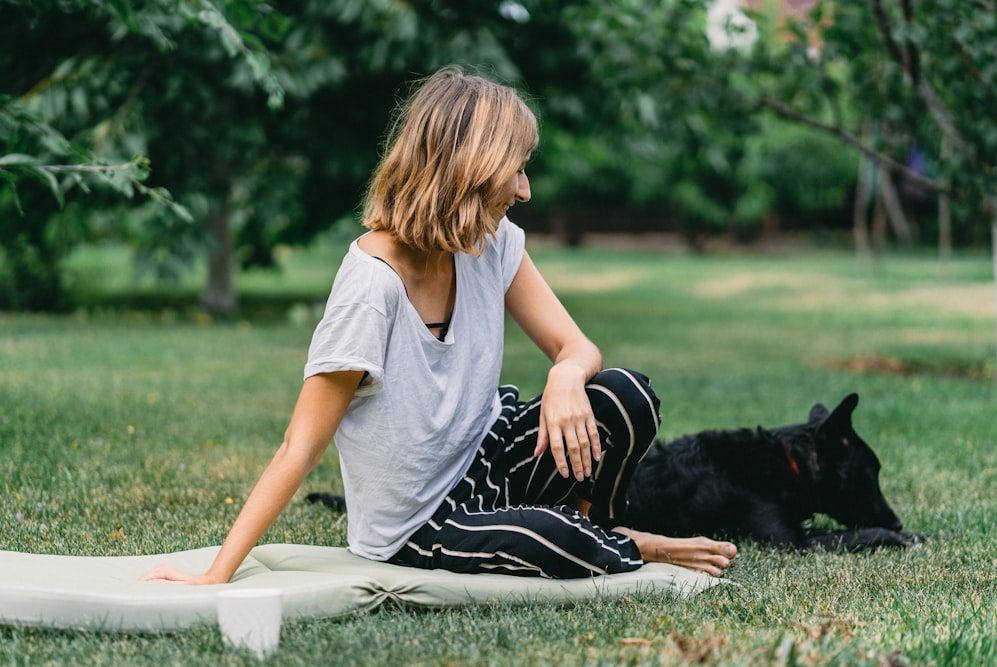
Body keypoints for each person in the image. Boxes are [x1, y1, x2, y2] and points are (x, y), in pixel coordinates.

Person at [142, 66, 736, 584]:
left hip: (490, 453)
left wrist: (564, 376)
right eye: (517, 170)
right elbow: (299, 444)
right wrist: (216, 572)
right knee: (558, 541)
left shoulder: (492, 243)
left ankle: (596, 528)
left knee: (624, 396)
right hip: (421, 522)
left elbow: (577, 346)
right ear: (471, 169)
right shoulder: (372, 289)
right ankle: (623, 542)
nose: (526, 190)